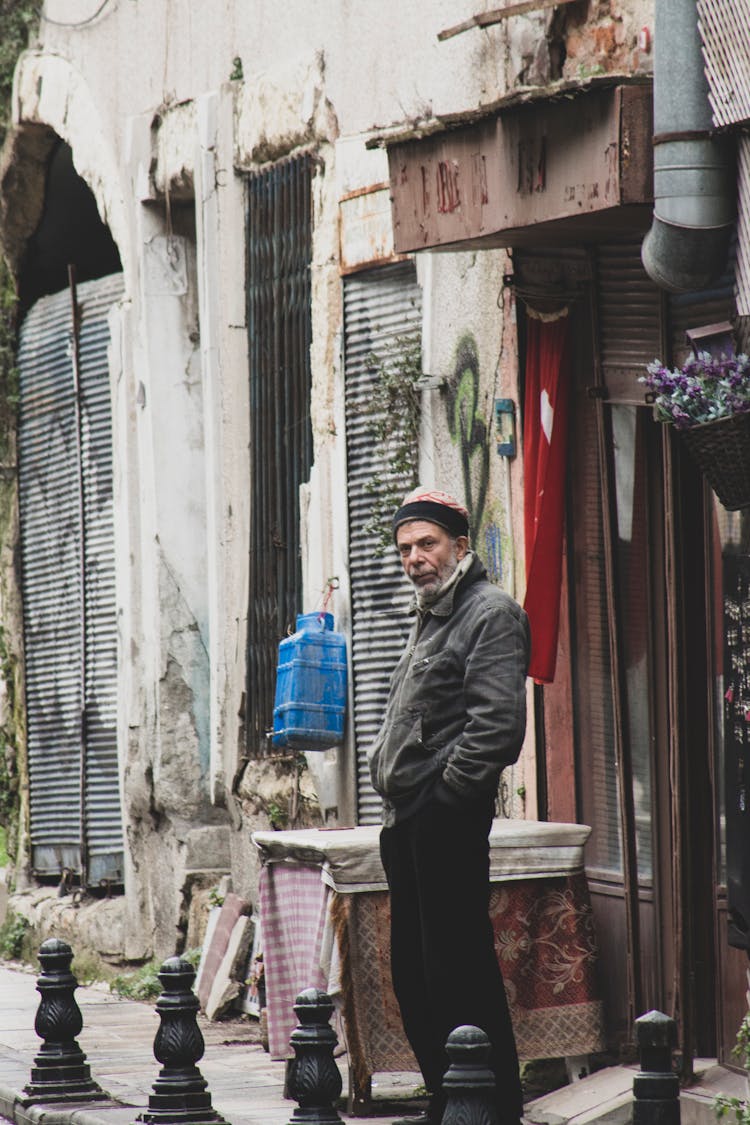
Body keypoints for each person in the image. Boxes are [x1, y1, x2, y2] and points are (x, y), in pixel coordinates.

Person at [368, 487, 530, 1125]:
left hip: (444, 817)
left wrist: (444, 797)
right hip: (407, 818)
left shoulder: (489, 613)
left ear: (460, 547)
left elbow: (496, 728)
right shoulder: (432, 611)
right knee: (415, 973)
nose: (415, 557)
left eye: (427, 543)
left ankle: (488, 1105)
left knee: (455, 967)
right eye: (405, 547)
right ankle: (451, 1097)